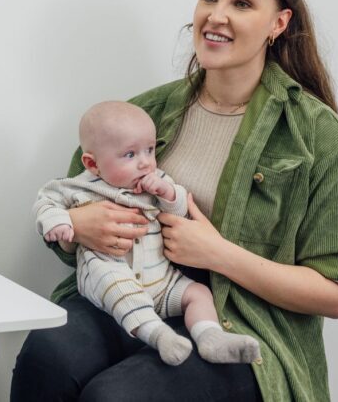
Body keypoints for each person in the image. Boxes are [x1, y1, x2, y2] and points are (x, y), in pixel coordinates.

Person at [11, 0, 338, 402]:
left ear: (278, 23)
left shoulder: (319, 138)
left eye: (241, 3)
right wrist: (80, 227)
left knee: (115, 398)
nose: (217, 15)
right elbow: (68, 213)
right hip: (129, 290)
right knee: (47, 357)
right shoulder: (146, 113)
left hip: (239, 319)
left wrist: (217, 253)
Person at [34, 101, 260, 367]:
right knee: (119, 289)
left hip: (162, 281)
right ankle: (160, 336)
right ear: (92, 163)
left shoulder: (156, 180)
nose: (145, 163)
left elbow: (179, 211)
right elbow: (45, 203)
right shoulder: (77, 186)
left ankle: (210, 336)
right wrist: (64, 222)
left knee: (198, 293)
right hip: (109, 273)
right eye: (130, 155)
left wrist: (168, 193)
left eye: (150, 150)